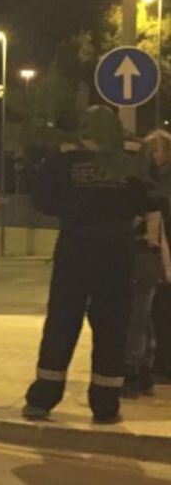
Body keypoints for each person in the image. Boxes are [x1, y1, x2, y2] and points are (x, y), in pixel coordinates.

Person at [24, 106, 147, 424]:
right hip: (118, 251)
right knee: (112, 326)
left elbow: (42, 201)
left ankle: (43, 397)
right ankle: (106, 404)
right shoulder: (130, 162)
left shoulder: (64, 161)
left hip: (75, 247)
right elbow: (149, 199)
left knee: (62, 321)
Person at [124, 130, 171, 397]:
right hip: (156, 260)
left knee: (139, 316)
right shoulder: (160, 188)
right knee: (149, 316)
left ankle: (136, 371)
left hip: (145, 257)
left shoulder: (149, 190)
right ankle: (148, 368)